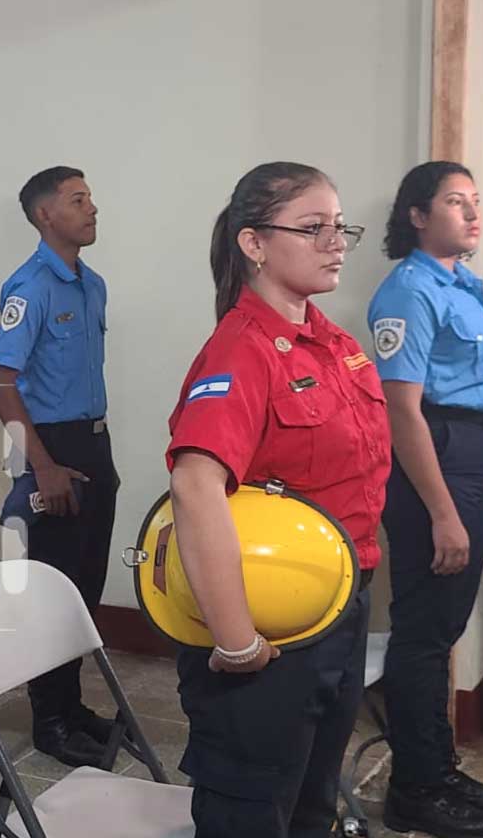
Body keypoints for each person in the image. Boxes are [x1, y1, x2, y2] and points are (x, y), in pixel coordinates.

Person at [165, 162, 389, 838]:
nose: (336, 241)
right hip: (269, 626)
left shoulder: (334, 345)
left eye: (340, 226)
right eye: (312, 227)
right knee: (252, 809)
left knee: (313, 802)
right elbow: (194, 486)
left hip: (339, 608)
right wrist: (236, 643)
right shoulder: (241, 350)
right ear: (254, 243)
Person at [367, 162, 483, 838]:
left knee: (441, 631)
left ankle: (437, 768)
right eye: (456, 202)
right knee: (424, 635)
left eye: (476, 202)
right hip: (433, 473)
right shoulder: (408, 290)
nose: (472, 213)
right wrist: (443, 510)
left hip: (465, 461)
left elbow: (468, 401)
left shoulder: (464, 286)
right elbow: (405, 412)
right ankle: (416, 789)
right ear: (417, 217)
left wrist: (480, 478)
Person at [0, 166, 119, 768]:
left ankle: (72, 705)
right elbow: (0, 382)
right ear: (45, 216)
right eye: (77, 200)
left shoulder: (92, 286)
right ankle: (51, 721)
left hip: (94, 446)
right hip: (52, 452)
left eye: (89, 197)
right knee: (51, 593)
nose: (92, 208)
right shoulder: (30, 287)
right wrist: (42, 467)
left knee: (83, 589)